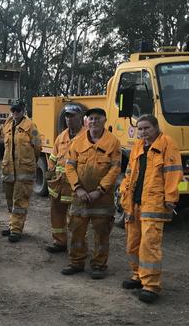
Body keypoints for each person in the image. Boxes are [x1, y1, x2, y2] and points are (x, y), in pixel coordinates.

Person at [120, 114, 182, 303]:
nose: (143, 132)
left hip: (154, 203)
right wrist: (123, 192)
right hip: (135, 202)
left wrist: (171, 197)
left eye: (146, 128)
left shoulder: (167, 144)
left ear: (156, 127)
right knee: (133, 242)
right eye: (140, 128)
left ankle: (151, 285)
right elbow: (129, 172)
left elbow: (173, 172)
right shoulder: (138, 146)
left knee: (150, 244)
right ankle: (138, 275)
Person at [63, 107, 120, 279]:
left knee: (101, 233)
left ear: (104, 120)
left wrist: (100, 190)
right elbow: (69, 166)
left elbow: (115, 169)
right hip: (79, 197)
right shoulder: (77, 142)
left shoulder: (113, 143)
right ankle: (76, 262)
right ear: (86, 122)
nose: (94, 121)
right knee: (76, 230)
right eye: (91, 119)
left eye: (97, 118)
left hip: (102, 198)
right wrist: (78, 188)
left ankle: (99, 265)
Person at [45, 105, 85, 253]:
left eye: (72, 116)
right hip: (59, 185)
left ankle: (77, 248)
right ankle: (59, 242)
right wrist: (50, 172)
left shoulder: (87, 137)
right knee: (56, 214)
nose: (69, 119)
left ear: (80, 117)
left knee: (76, 219)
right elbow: (53, 157)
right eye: (67, 116)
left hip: (76, 187)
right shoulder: (61, 137)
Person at [1, 101, 41, 242]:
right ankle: (12, 225)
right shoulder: (7, 125)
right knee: (10, 200)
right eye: (13, 110)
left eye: (18, 110)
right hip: (8, 170)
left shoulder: (31, 126)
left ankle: (16, 230)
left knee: (20, 201)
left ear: (23, 110)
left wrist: (29, 162)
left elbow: (37, 146)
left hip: (24, 171)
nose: (15, 113)